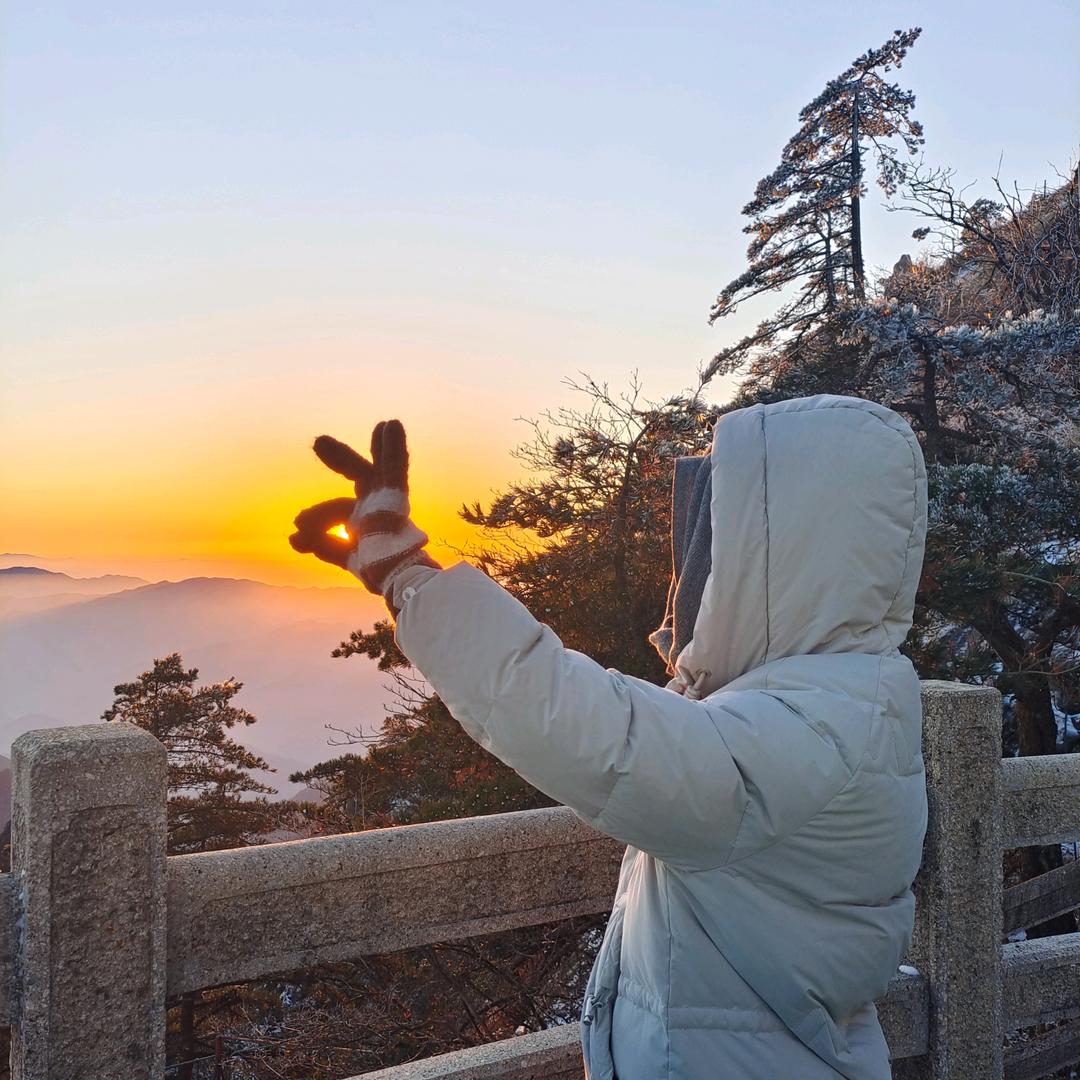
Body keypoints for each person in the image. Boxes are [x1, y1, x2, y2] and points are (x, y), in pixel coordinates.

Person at [289, 393, 929, 1080]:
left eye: (720, 533)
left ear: (783, 557)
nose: (694, 560)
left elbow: (590, 729)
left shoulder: (817, 726)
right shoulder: (839, 696)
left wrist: (407, 580)